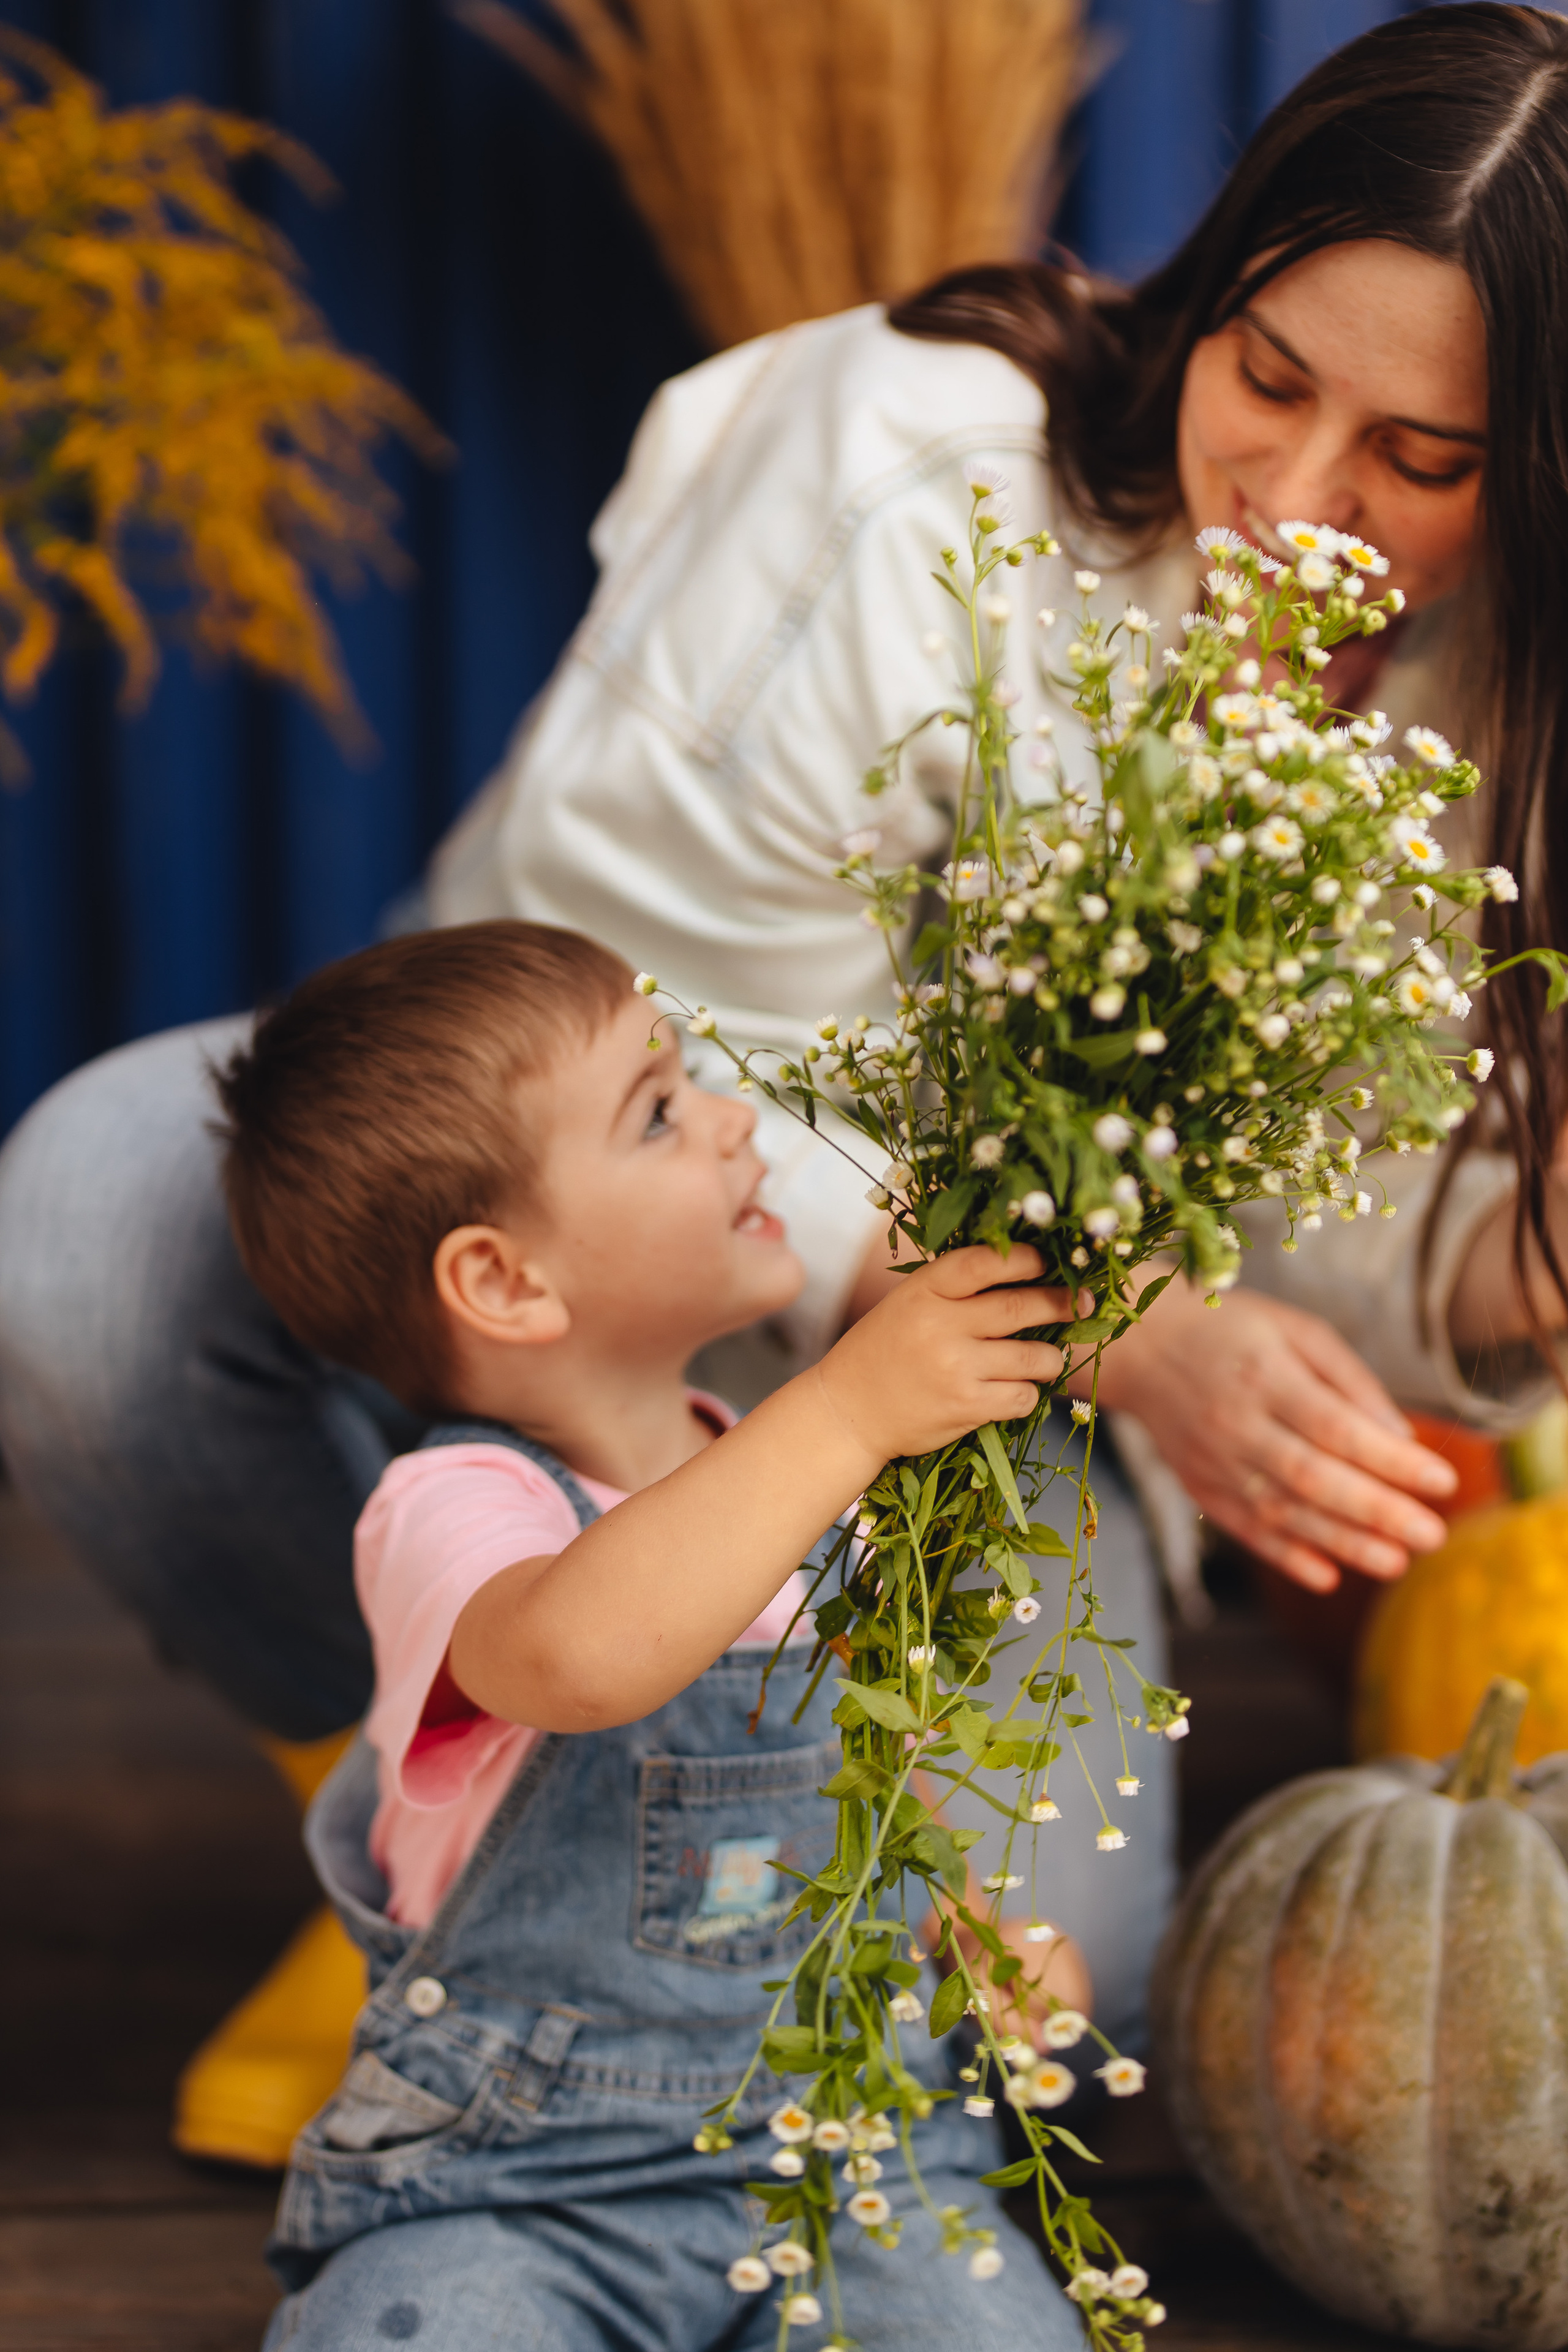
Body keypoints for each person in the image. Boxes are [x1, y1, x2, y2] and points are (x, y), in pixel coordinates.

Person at [2, 0, 1566, 2158]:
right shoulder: (909, 462)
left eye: (1425, 458)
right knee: (93, 1231)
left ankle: (645, 1883)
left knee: (1047, 1980)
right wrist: (1124, 1322)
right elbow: (622, 991)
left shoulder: (1518, 717)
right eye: (1269, 374)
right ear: (1212, 288)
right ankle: (432, 1834)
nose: (1297, 499)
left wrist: (1516, 1273)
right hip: (627, 1192)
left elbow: (1370, 1219)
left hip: (1004, 1370)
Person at [222, 918, 1088, 2351]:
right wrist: (850, 1407)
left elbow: (879, 1778)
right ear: (506, 1282)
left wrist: (978, 1930)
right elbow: (577, 1658)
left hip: (844, 2160)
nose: (737, 1119)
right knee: (414, 2331)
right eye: (661, 1111)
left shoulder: (807, 1486)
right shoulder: (457, 1508)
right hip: (519, 2187)